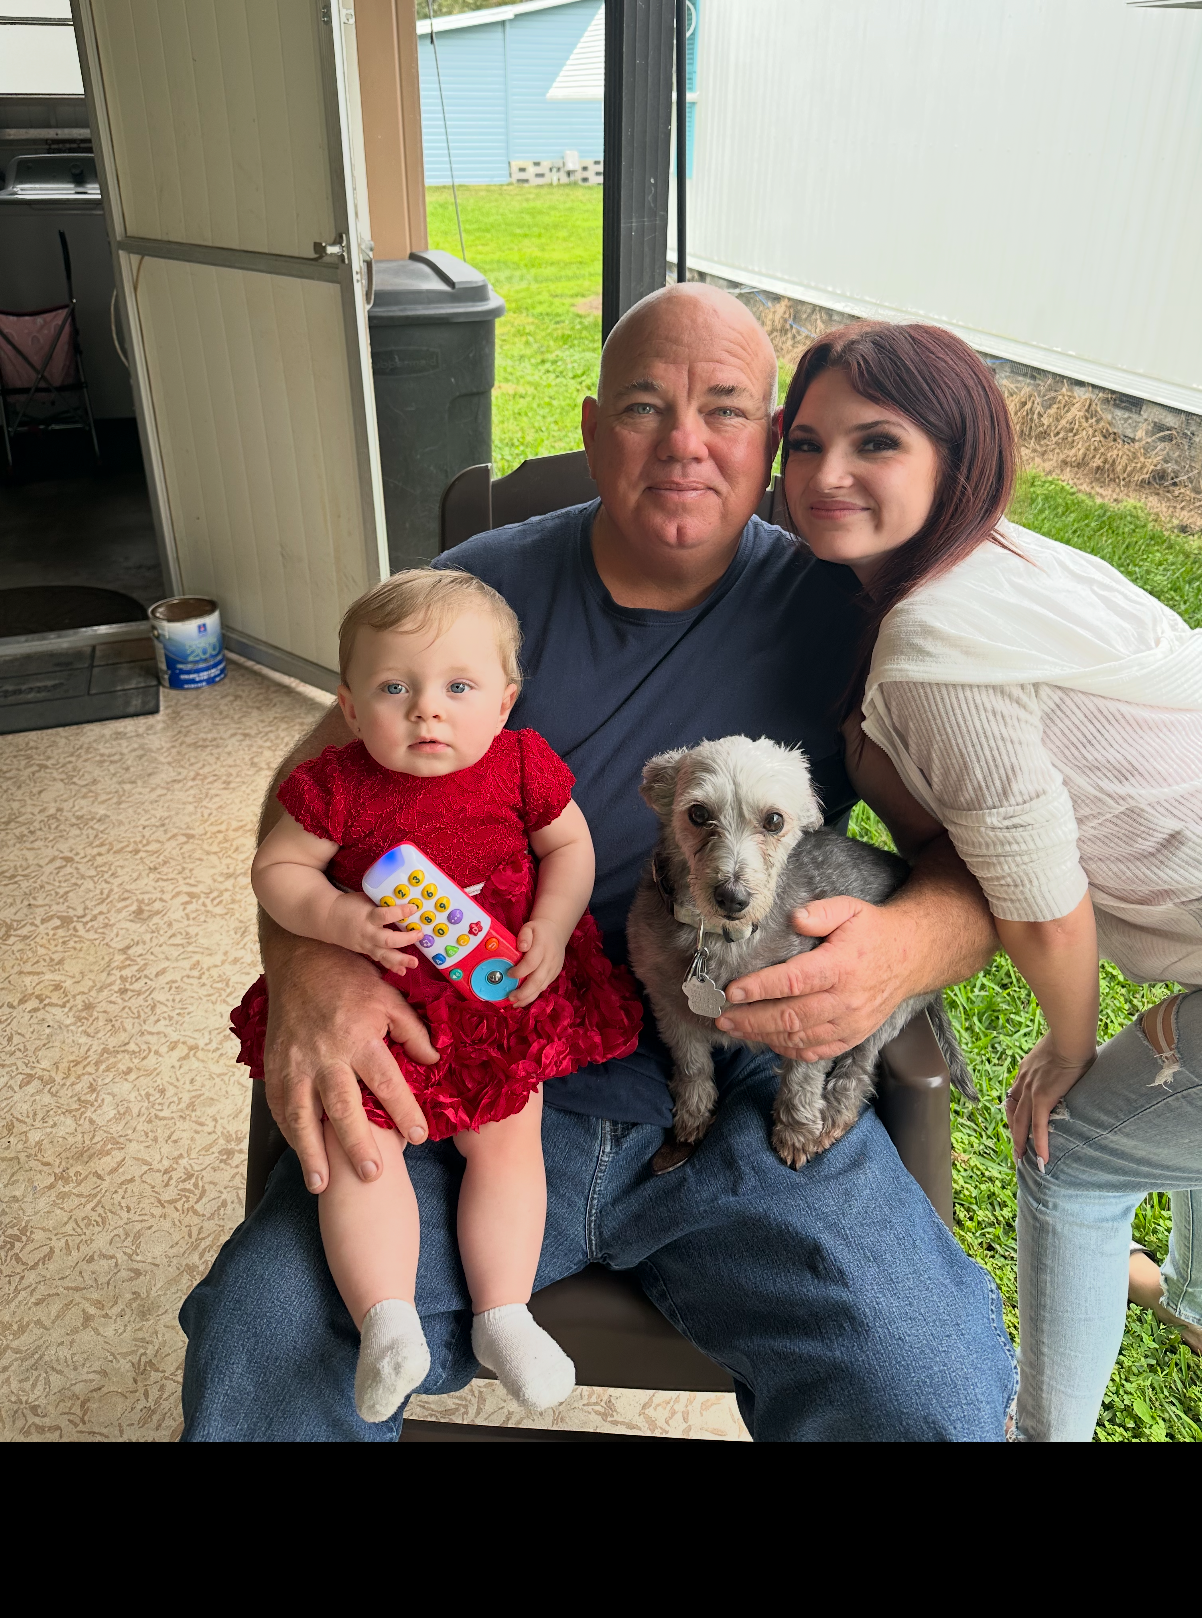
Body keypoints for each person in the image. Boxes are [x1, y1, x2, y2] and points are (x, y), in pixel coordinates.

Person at [179, 283, 1017, 1443]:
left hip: (748, 1087)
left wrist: (905, 949)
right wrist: (313, 965)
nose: (684, 443)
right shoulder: (476, 598)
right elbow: (304, 801)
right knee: (269, 1342)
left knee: (923, 1389)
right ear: (589, 428)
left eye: (726, 409)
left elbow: (979, 867)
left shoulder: (849, 615)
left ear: (772, 441)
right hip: (471, 1068)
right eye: (643, 406)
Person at [779, 318, 1202, 1443]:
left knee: (1074, 1154)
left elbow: (1043, 906)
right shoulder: (1006, 558)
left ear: (955, 457)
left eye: (875, 442)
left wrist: (1067, 1049)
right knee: (1174, 1100)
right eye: (805, 441)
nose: (826, 474)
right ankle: (1200, 1298)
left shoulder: (932, 649)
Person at [243, 567, 643, 1423]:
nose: (428, 710)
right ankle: (386, 1322)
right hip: (378, 1001)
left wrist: (551, 923)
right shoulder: (336, 786)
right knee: (363, 1148)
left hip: (491, 997)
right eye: (395, 688)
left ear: (503, 703)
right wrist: (341, 920)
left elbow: (569, 849)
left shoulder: (521, 765)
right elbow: (276, 871)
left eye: (458, 688)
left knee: (509, 1143)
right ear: (351, 708)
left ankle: (505, 1315)